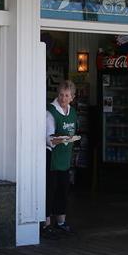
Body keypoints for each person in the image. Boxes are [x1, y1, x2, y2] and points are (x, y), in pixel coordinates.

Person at [44, 80, 80, 237]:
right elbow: (48, 138)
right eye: (61, 95)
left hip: (65, 157)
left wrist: (70, 139)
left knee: (63, 189)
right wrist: (63, 139)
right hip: (52, 156)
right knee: (50, 189)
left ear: (72, 97)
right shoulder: (51, 112)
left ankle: (61, 222)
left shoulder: (72, 112)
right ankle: (46, 224)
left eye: (66, 95)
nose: (63, 98)